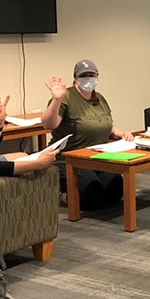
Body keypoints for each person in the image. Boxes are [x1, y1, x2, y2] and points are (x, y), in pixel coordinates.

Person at [41, 59, 135, 209]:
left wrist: (122, 134)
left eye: (92, 75)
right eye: (84, 75)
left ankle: (89, 194)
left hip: (97, 158)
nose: (88, 78)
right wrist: (56, 100)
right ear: (75, 78)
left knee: (116, 189)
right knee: (93, 194)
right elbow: (49, 124)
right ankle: (59, 195)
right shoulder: (67, 97)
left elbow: (109, 125)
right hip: (70, 160)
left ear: (97, 76)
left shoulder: (100, 98)